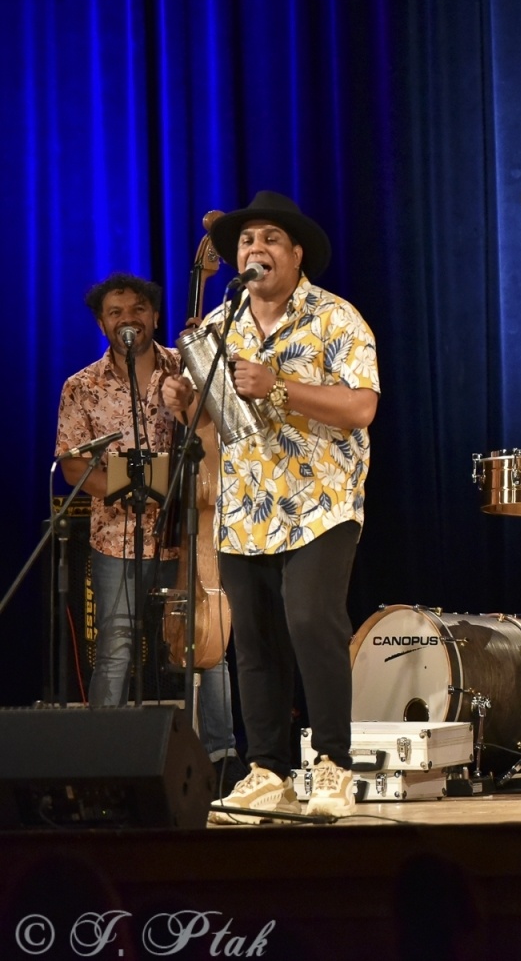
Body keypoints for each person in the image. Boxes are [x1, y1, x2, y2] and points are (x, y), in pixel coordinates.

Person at [162, 190, 379, 821]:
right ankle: (267, 770)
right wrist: (185, 403)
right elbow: (210, 423)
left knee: (312, 622)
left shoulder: (335, 318)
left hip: (321, 501)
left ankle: (335, 767)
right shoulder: (214, 326)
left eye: (270, 240)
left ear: (296, 253)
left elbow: (361, 408)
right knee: (252, 641)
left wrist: (279, 386)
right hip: (243, 506)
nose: (256, 249)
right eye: (247, 242)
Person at [56, 272, 237, 770]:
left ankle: (222, 756)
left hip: (189, 533)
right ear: (101, 324)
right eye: (115, 312)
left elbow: (224, 430)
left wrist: (191, 410)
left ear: (154, 316)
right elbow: (72, 464)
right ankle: (101, 758)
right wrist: (141, 483)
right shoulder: (81, 386)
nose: (127, 319)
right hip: (116, 539)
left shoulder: (187, 371)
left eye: (137, 309)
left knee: (206, 646)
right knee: (115, 647)